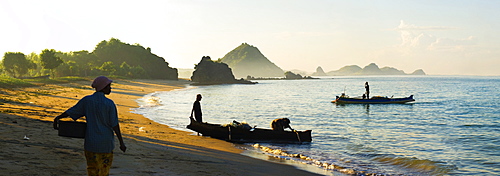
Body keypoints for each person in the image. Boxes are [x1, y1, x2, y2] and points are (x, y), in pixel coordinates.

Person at [53, 76, 126, 176]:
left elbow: (72, 111)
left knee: (92, 170)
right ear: (103, 88)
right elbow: (115, 125)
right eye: (108, 86)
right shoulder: (109, 104)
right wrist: (121, 142)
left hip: (91, 143)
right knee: (104, 171)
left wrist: (58, 118)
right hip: (106, 144)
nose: (110, 88)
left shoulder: (87, 101)